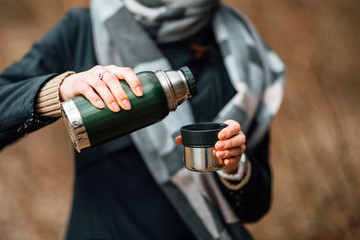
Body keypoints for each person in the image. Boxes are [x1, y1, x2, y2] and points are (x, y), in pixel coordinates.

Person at [0, 0, 285, 239]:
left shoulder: (240, 50)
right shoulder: (84, 30)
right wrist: (60, 89)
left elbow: (256, 206)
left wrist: (235, 167)